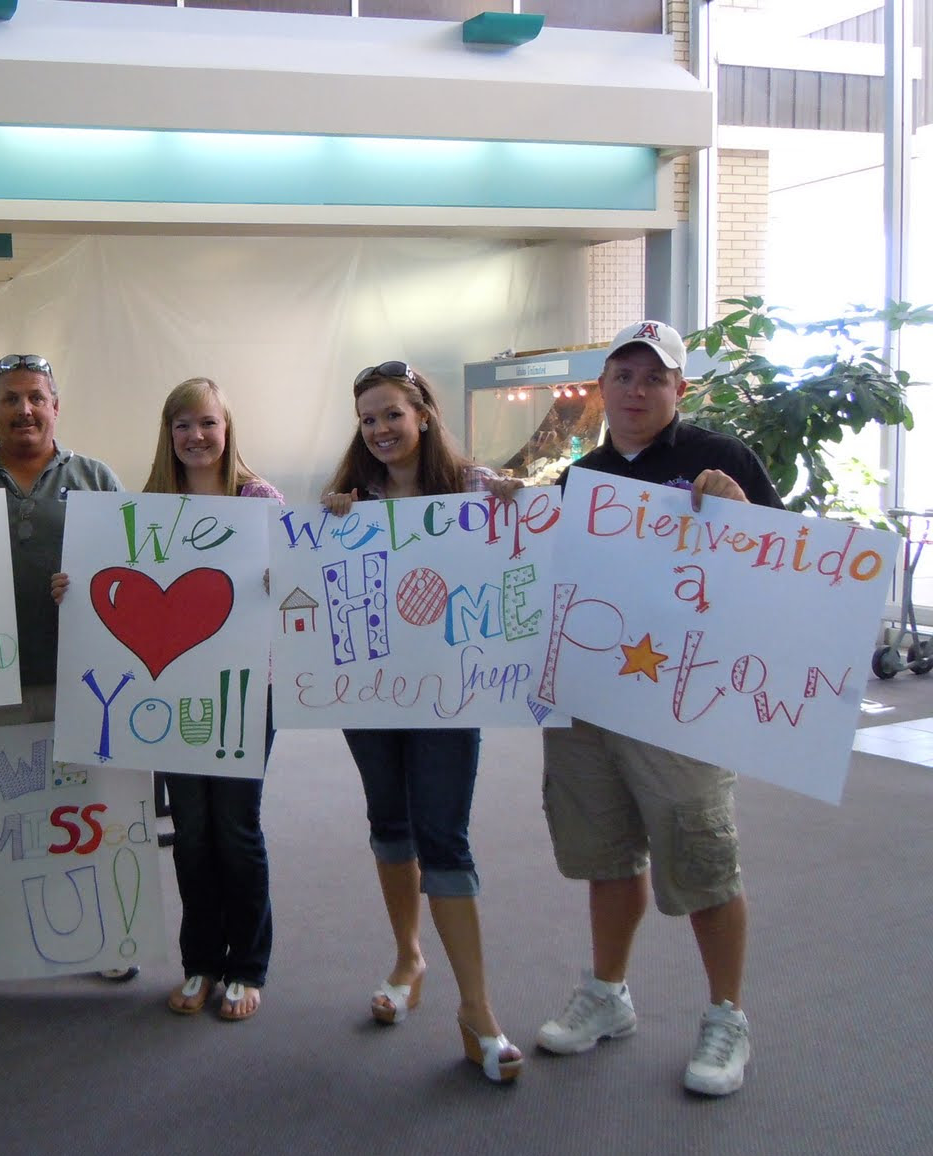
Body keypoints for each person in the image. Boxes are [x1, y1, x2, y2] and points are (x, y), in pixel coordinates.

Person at [534, 320, 782, 1097]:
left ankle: (727, 1016)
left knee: (700, 851)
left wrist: (741, 516)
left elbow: (788, 570)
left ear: (679, 389)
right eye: (623, 377)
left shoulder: (721, 459)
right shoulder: (584, 478)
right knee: (605, 854)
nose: (637, 392)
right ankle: (607, 993)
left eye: (654, 378)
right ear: (601, 389)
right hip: (589, 695)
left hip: (683, 700)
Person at [53, 378, 281, 1021]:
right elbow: (117, 589)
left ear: (227, 427)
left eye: (207, 423)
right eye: (183, 425)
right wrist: (74, 586)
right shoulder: (149, 503)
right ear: (168, 433)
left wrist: (282, 572)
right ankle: (201, 962)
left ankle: (247, 966)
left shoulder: (258, 498)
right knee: (191, 832)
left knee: (236, 828)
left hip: (244, 693)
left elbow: (299, 587)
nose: (196, 436)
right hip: (168, 695)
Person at [322, 360, 521, 1083]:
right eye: (367, 418)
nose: (379, 429)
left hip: (447, 695)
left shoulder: (471, 490)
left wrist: (513, 503)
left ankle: (478, 1011)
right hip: (368, 691)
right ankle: (408, 959)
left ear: (424, 415)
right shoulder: (350, 499)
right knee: (389, 823)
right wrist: (326, 524)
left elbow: (520, 560)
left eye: (391, 415)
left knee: (444, 836)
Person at [0, 352, 135, 987]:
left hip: (84, 680)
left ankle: (106, 940)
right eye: (10, 398)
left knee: (87, 812)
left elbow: (132, 569)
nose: (24, 409)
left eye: (36, 397)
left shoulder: (96, 476)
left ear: (55, 406)